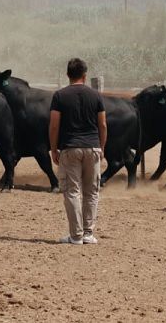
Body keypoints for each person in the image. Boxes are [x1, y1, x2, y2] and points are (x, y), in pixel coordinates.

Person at [49, 57, 107, 245]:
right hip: (92, 147)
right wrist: (102, 148)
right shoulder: (96, 95)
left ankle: (76, 235)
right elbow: (103, 125)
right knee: (92, 192)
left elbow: (54, 126)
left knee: (72, 192)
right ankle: (88, 234)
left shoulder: (59, 96)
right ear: (85, 75)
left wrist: (53, 149)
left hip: (70, 148)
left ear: (68, 75)